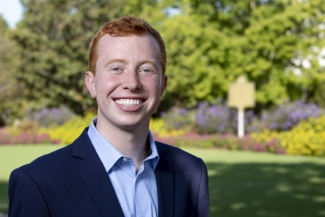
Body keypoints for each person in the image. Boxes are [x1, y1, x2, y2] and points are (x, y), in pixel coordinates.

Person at [8, 16, 209, 217]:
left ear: (162, 86)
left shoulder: (192, 173)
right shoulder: (37, 182)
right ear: (91, 83)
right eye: (116, 68)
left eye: (146, 69)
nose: (132, 83)